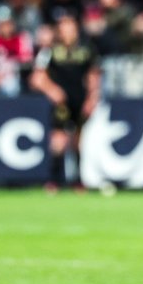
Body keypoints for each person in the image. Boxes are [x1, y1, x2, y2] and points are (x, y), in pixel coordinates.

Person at [30, 14, 101, 192]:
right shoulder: (50, 51)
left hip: (79, 100)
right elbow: (37, 78)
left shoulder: (86, 50)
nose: (69, 32)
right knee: (58, 140)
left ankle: (78, 181)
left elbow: (93, 76)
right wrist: (52, 90)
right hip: (61, 102)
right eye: (65, 29)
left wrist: (92, 98)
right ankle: (54, 180)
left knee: (77, 141)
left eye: (71, 28)